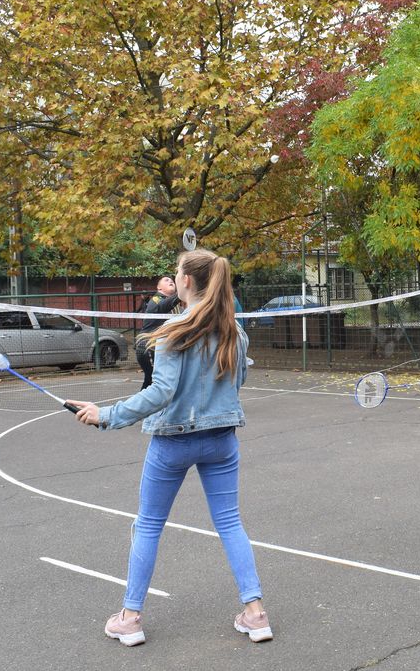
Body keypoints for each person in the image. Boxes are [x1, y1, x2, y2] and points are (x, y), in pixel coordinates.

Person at [66, 249, 270, 647]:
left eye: (176, 273)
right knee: (230, 523)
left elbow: (161, 392)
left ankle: (129, 619)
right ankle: (256, 614)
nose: (174, 278)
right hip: (221, 440)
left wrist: (106, 414)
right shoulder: (234, 330)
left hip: (174, 442)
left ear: (186, 281)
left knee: (148, 525)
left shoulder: (175, 330)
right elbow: (238, 381)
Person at [134, 275, 179, 390]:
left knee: (159, 381)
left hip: (162, 346)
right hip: (147, 345)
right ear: (159, 288)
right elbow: (164, 306)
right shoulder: (156, 299)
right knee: (153, 381)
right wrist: (183, 292)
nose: (171, 281)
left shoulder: (177, 306)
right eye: (166, 280)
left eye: (172, 280)